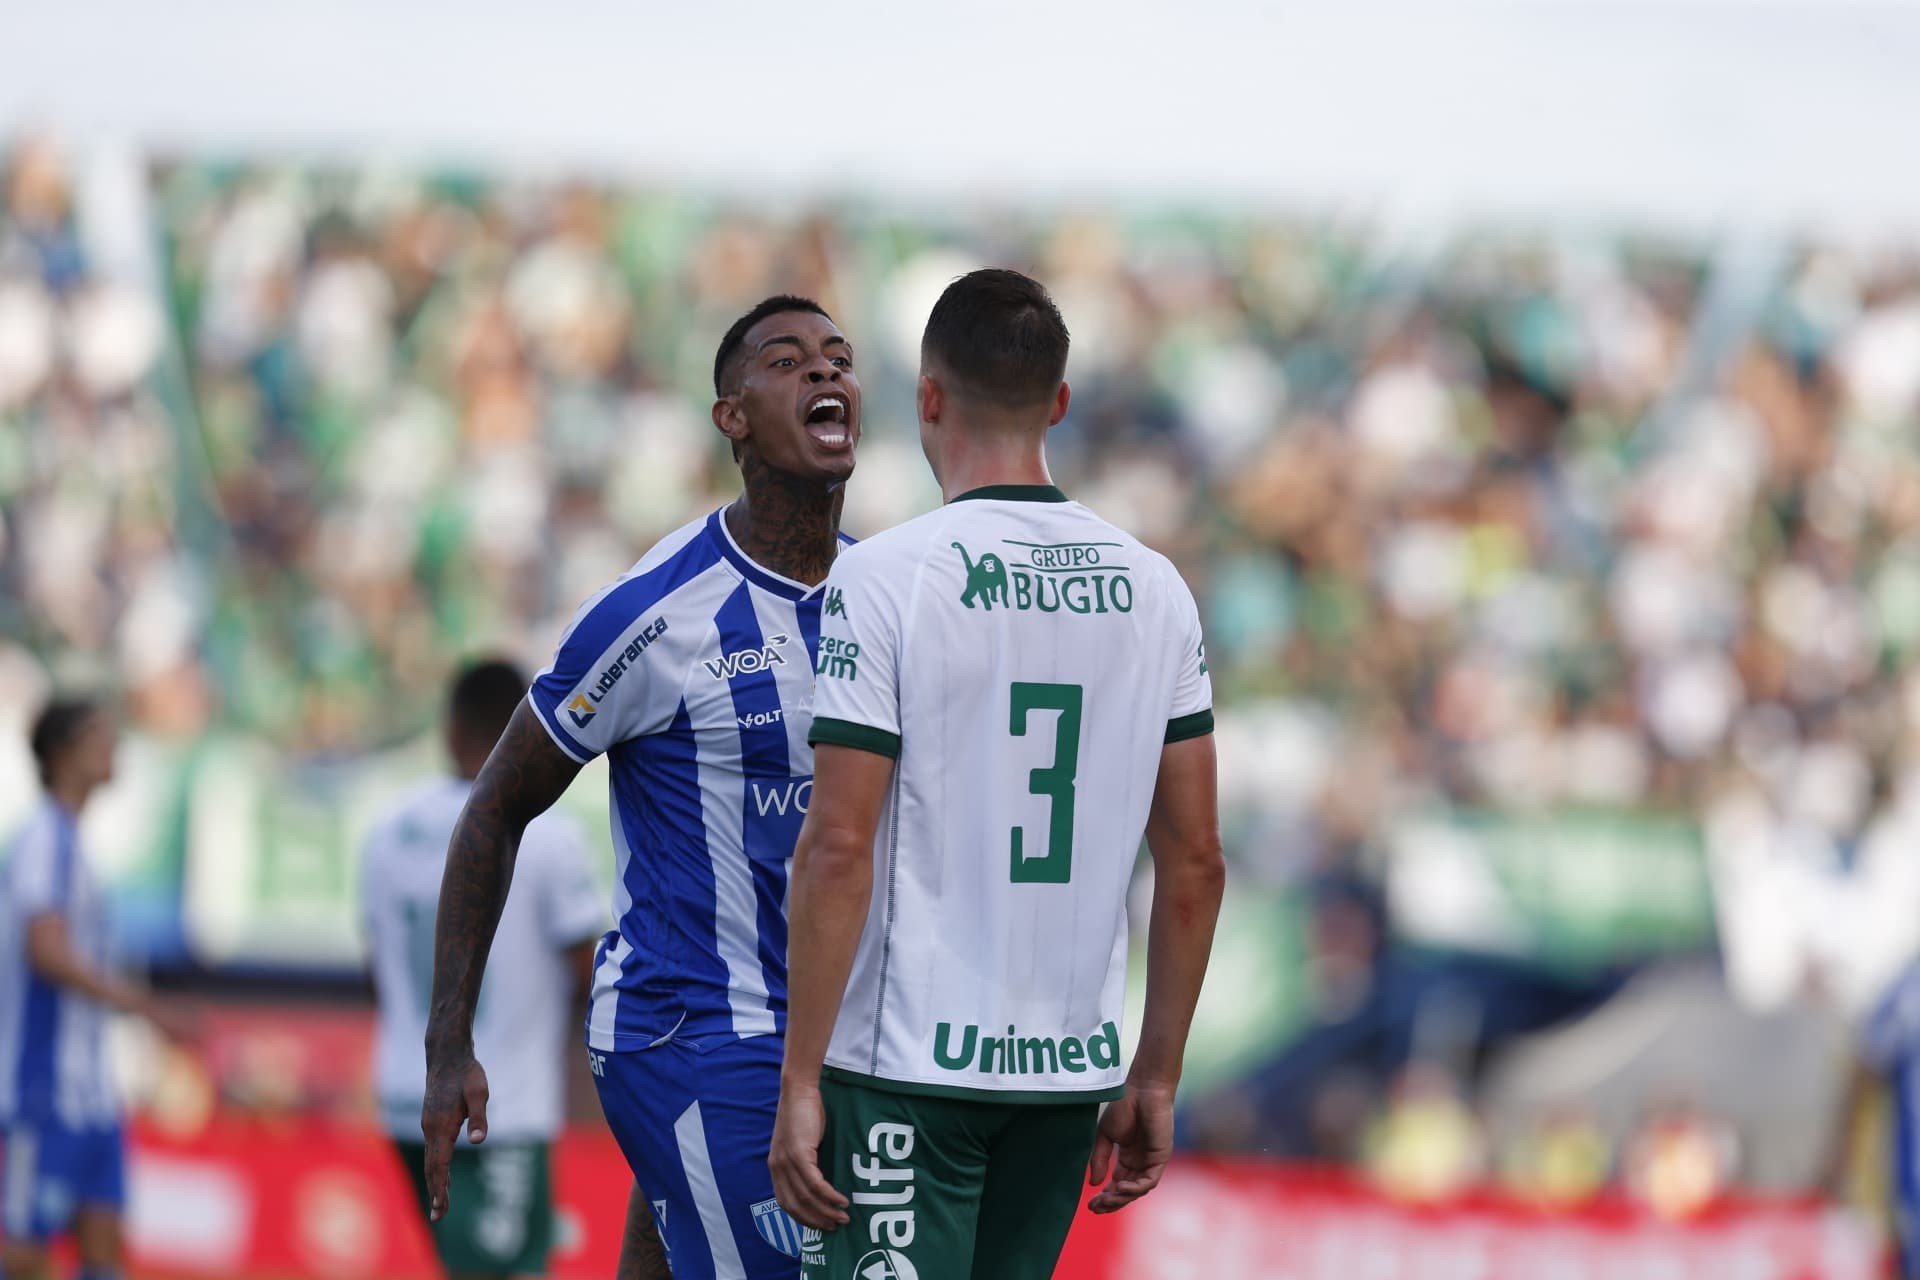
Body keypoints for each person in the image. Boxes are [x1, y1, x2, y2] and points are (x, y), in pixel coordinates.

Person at [769, 268, 1226, 1279]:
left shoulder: (885, 579)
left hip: (906, 1072)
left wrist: (799, 1076)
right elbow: (1195, 856)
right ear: (1057, 404)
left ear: (927, 396)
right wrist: (1156, 1069)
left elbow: (838, 843)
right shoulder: (1157, 590)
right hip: (1065, 1077)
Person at [422, 294, 861, 1279]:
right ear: (732, 416)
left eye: (838, 357)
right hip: (695, 1028)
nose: (827, 374)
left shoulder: (887, 601)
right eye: (790, 362)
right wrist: (447, 1045)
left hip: (826, 1046)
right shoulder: (656, 615)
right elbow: (493, 808)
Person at [365, 658, 639, 1277]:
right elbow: (587, 975)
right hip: (500, 1109)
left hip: (406, 1094)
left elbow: (372, 968)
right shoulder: (546, 833)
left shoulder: (385, 830)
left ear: (451, 728)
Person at [0, 698, 193, 1280]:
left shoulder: (77, 848)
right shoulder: (43, 839)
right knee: (27, 1257)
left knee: (105, 1251)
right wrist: (145, 1006)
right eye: (99, 736)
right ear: (62, 755)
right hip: (42, 1091)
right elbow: (46, 950)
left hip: (89, 1093)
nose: (114, 747)